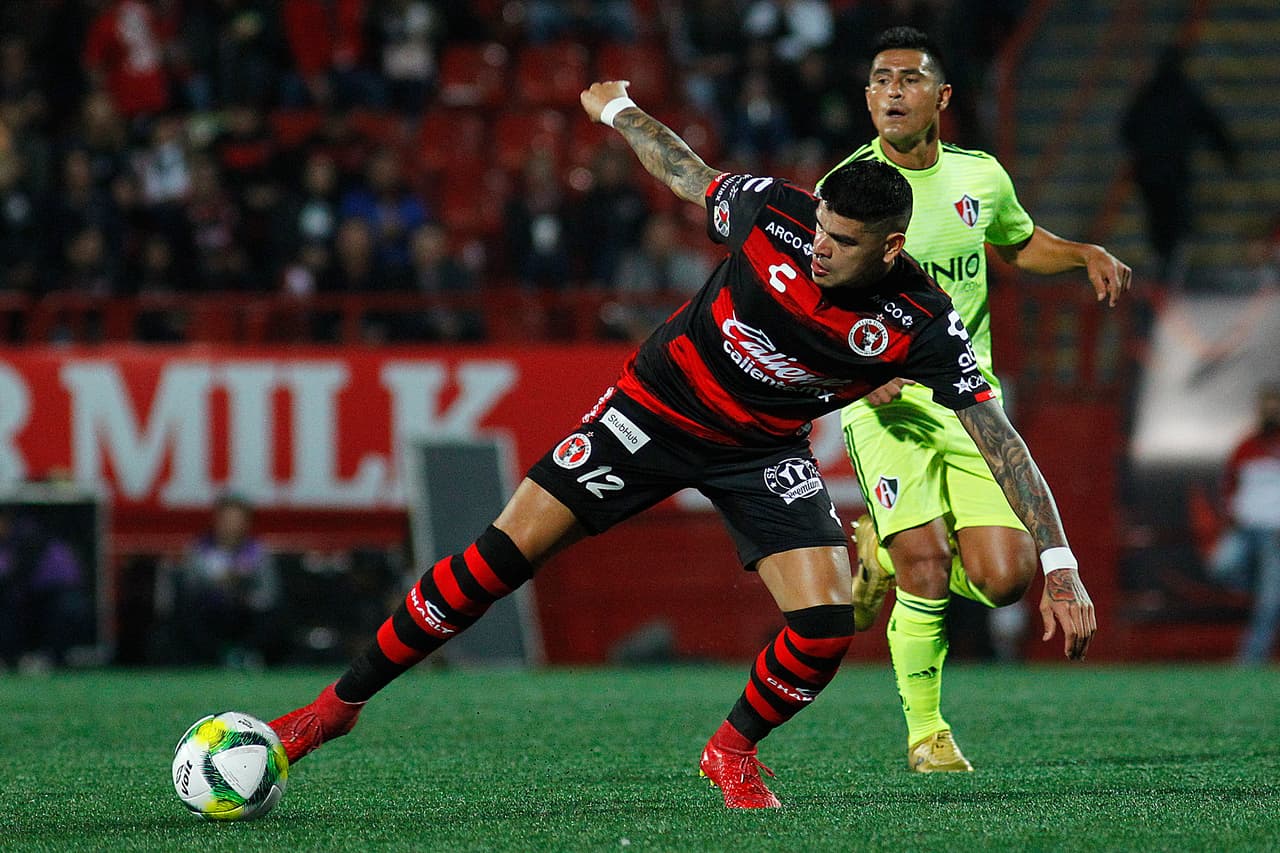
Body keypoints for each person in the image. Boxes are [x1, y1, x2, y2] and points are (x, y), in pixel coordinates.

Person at [265, 80, 1096, 810]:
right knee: (498, 560)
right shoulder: (777, 213)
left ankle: (730, 750)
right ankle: (331, 709)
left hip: (763, 451)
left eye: (842, 242)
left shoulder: (918, 321)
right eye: (821, 228)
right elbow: (686, 172)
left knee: (825, 623)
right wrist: (621, 110)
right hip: (653, 412)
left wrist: (1058, 564)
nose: (819, 247)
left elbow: (1001, 440)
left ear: (890, 249)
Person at [819, 27, 1130, 773]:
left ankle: (884, 556)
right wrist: (859, 367)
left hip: (970, 402)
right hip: (885, 403)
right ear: (866, 98)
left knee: (1003, 577)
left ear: (941, 97)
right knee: (928, 567)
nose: (892, 91)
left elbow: (1016, 242)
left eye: (908, 79)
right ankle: (927, 733)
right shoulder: (849, 190)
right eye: (879, 80)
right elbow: (813, 295)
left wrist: (1081, 251)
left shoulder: (978, 177)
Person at [1121, 44, 1237, 287]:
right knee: (1178, 220)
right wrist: (1230, 156)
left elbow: (1126, 128)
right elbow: (1211, 125)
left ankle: (1160, 265)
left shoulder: (1148, 94)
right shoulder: (1184, 93)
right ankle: (1173, 270)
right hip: (1174, 173)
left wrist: (1142, 150)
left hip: (1149, 173)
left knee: (1158, 219)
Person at [155, 494, 282, 668]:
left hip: (244, 613)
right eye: (227, 519)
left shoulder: (258, 553)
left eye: (236, 520)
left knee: (274, 615)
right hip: (210, 611)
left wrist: (243, 590)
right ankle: (212, 658)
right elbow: (190, 586)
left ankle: (246, 654)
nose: (231, 525)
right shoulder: (199, 550)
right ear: (217, 521)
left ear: (246, 523)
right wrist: (217, 583)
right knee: (185, 612)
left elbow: (269, 593)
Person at [1210, 384, 1280, 665]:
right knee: (1222, 566)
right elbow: (1228, 483)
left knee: (1269, 602)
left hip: (1275, 534)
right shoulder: (1247, 445)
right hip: (1244, 528)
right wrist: (1231, 514)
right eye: (1267, 406)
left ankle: (1250, 659)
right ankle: (1263, 584)